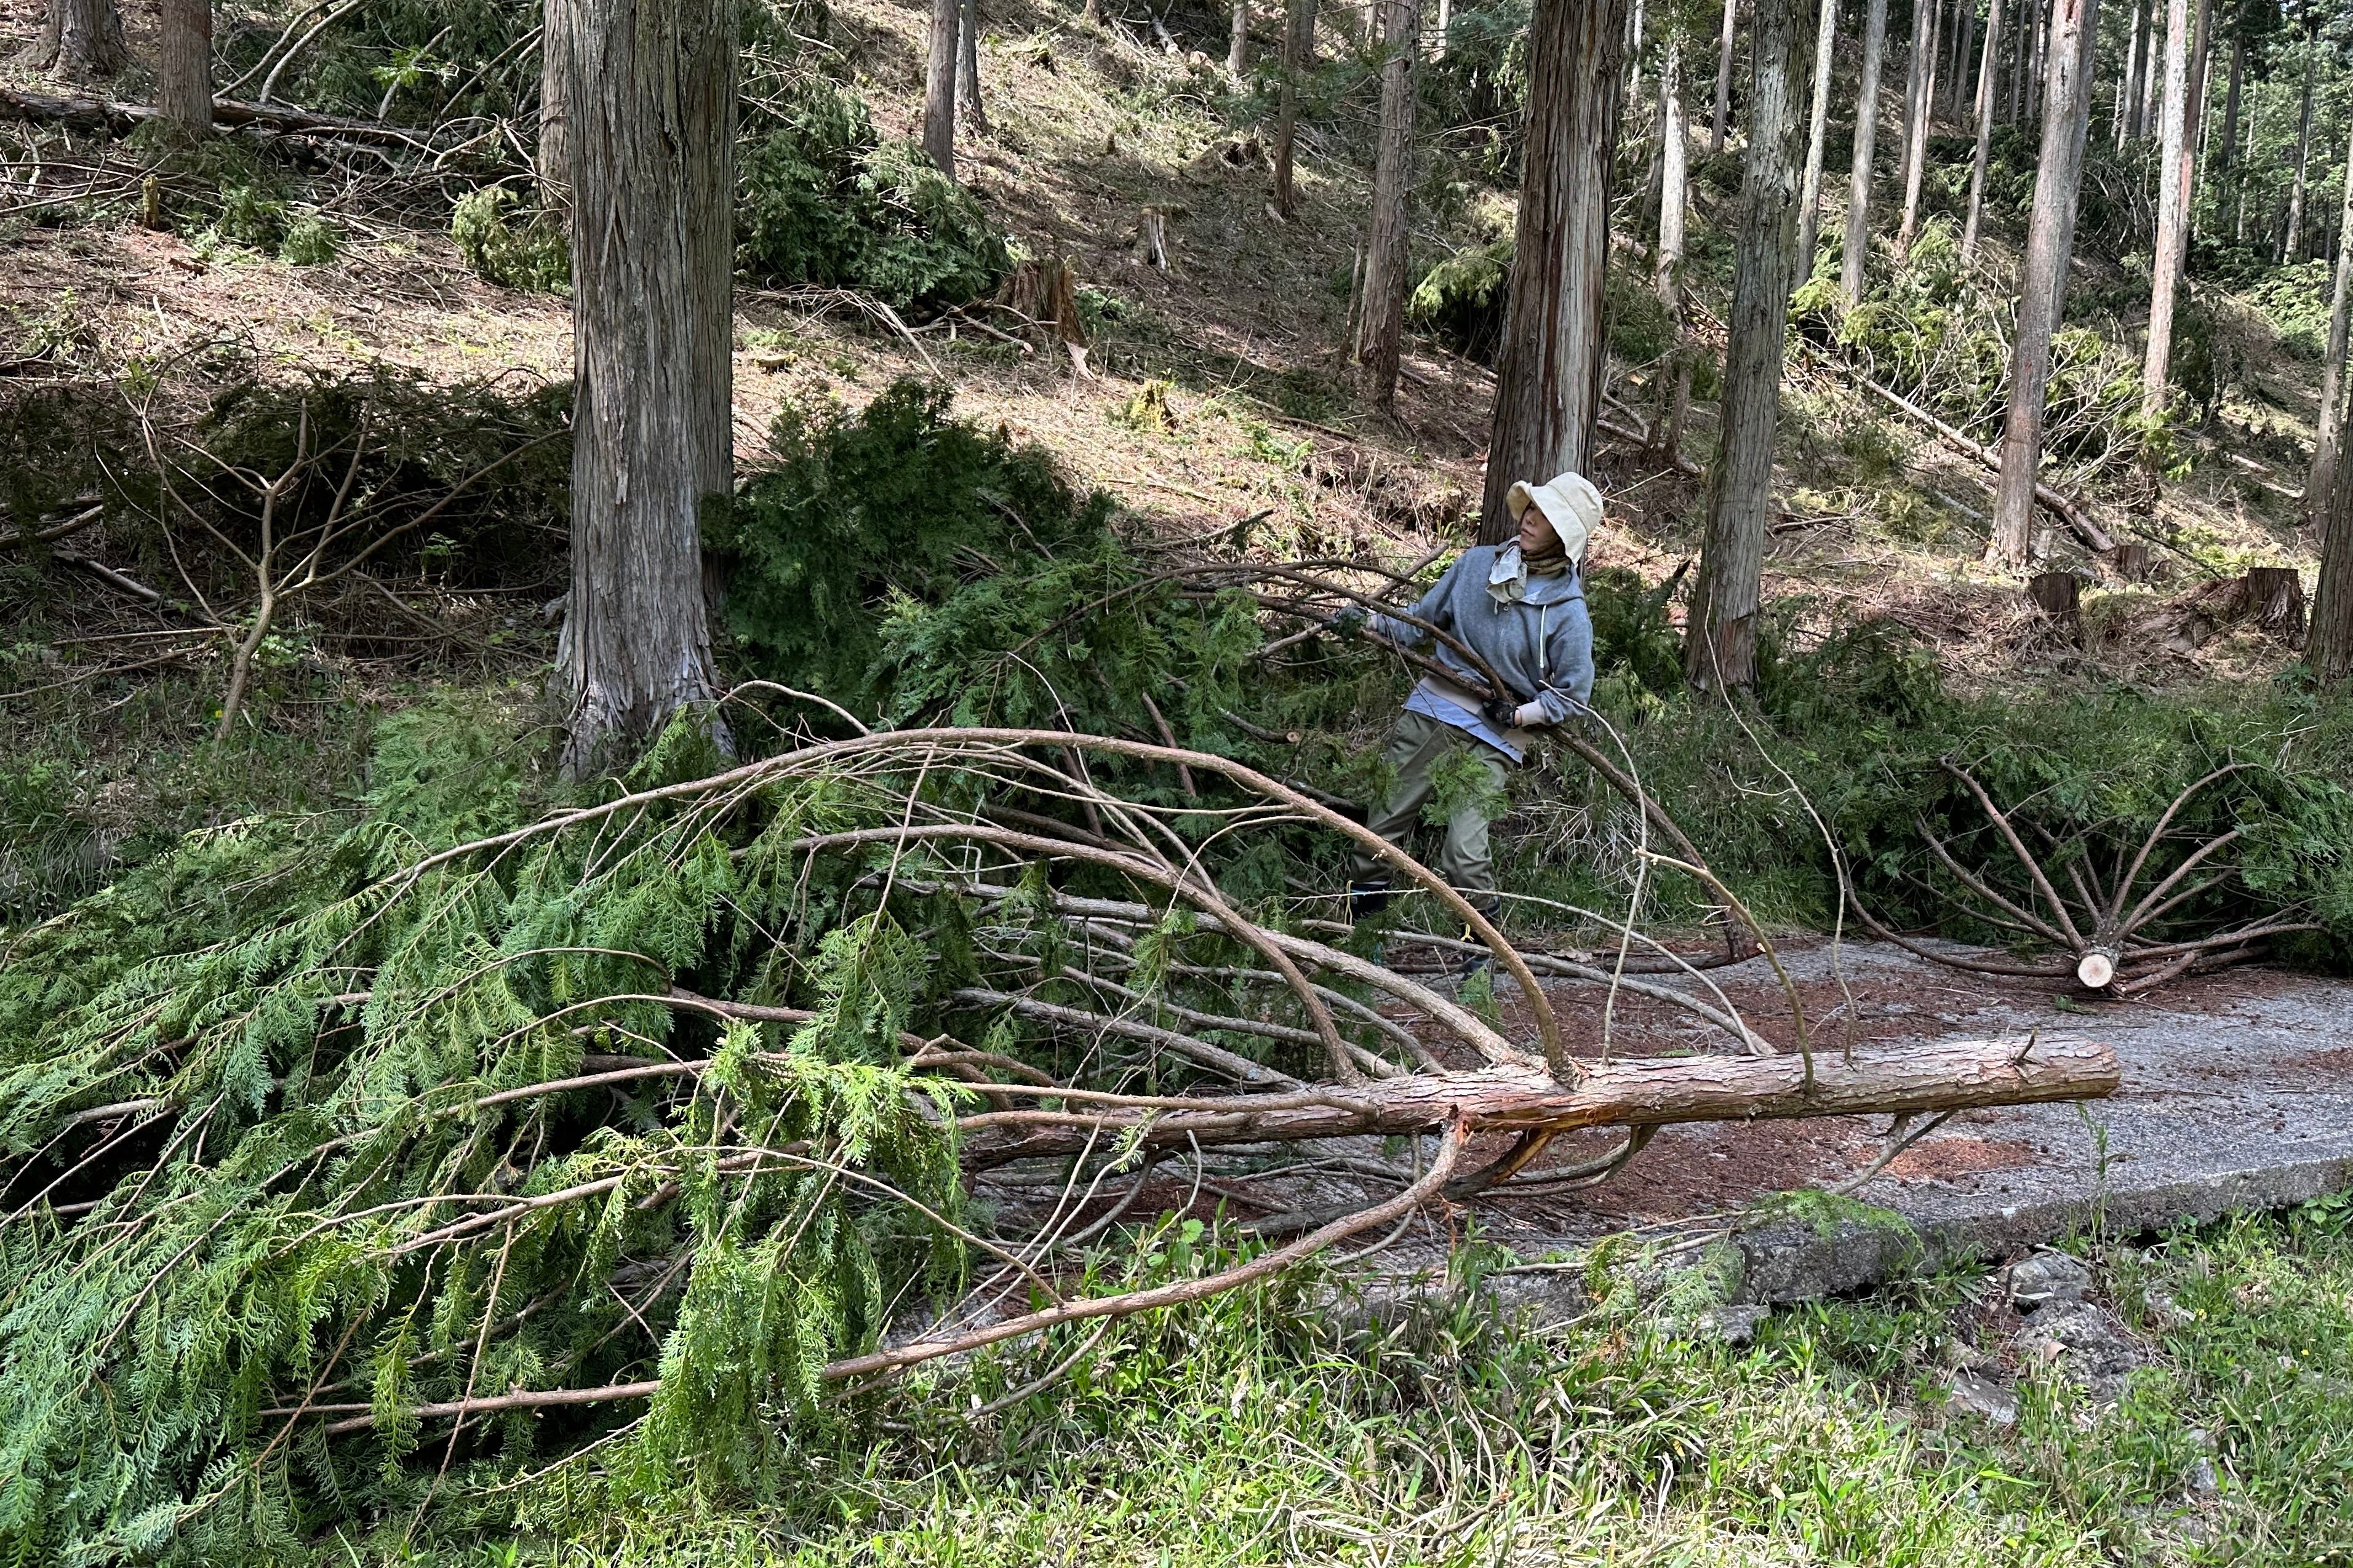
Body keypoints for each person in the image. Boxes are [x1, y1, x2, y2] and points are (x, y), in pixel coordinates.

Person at [1334, 471, 1601, 933]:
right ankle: (1365, 939)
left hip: (1496, 737)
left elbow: (1573, 696)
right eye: (1532, 508)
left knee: (1463, 854)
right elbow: (1420, 625)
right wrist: (1369, 621)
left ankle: (1480, 955)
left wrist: (1520, 714)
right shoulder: (1477, 565)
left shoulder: (1569, 613)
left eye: (1545, 516)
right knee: (1379, 834)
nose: (1530, 520)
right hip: (1433, 711)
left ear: (1564, 537)